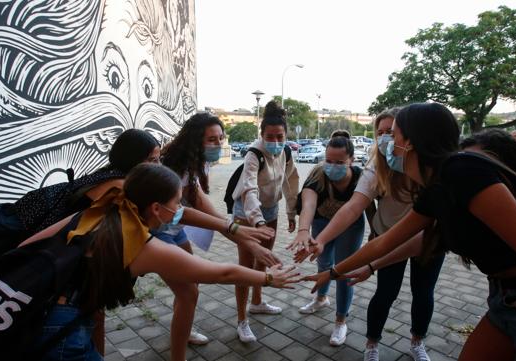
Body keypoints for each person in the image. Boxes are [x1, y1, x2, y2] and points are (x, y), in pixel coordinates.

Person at [303, 103, 516, 361]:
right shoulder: (435, 189)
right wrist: (336, 272)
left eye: (394, 134)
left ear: (410, 142)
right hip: (504, 296)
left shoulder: (461, 170)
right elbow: (391, 243)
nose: (387, 142)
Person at [19, 163, 300, 361]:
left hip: (31, 308)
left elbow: (24, 249)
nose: (180, 210)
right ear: (156, 208)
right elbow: (221, 272)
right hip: (62, 328)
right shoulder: (145, 246)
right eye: (177, 202)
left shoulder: (96, 214)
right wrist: (268, 278)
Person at [154, 112, 281, 350]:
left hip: (176, 230)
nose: (218, 144)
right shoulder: (169, 167)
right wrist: (238, 232)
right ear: (194, 140)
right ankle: (179, 346)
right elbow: (186, 211)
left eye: (221, 138)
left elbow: (203, 205)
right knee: (189, 290)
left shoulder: (195, 162)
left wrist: (247, 240)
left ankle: (183, 326)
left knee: (189, 287)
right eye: (212, 139)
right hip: (157, 233)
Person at [231, 100, 299, 342]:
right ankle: (241, 320)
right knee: (245, 267)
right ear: (261, 135)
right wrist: (257, 223)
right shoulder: (254, 154)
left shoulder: (287, 151)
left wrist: (291, 213)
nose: (275, 141)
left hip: (271, 211)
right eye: (270, 136)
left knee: (264, 261)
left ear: (286, 134)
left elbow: (291, 183)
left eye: (279, 136)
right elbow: (249, 190)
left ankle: (257, 302)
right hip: (247, 214)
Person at [289, 130, 365, 346]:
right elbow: (309, 205)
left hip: (350, 226)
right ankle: (321, 299)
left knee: (343, 270)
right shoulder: (318, 175)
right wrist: (303, 231)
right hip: (322, 222)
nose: (332, 166)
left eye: (339, 162)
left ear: (351, 159)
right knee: (323, 263)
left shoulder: (361, 177)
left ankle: (341, 320)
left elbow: (368, 207)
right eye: (329, 160)